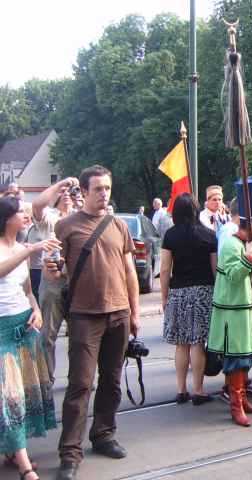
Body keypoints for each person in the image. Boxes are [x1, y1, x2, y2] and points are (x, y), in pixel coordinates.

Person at [52, 165, 140, 480]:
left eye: (107, 188)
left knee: (112, 381)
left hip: (119, 313)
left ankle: (103, 434)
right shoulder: (65, 226)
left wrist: (135, 312)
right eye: (98, 189)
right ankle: (70, 454)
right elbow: (56, 269)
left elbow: (130, 271)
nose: (104, 194)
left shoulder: (118, 226)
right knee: (80, 385)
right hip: (84, 315)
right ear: (85, 193)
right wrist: (54, 271)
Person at [0, 197, 59, 480]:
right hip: (2, 331)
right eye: (20, 212)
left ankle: (13, 451)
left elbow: (27, 291)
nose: (26, 216)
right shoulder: (18, 250)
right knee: (11, 398)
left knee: (23, 394)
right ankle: (24, 466)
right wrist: (31, 250)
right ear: (5, 218)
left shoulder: (22, 248)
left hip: (25, 327)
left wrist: (35, 311)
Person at [209, 176, 252, 427]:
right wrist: (250, 256)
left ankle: (243, 399)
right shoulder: (230, 244)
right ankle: (236, 405)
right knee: (236, 359)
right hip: (233, 312)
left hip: (246, 308)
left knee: (247, 357)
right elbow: (235, 275)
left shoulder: (246, 243)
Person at [160, 193, 216, 406]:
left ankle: (181, 389)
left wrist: (165, 297)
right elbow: (215, 269)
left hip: (178, 293)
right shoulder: (209, 235)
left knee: (181, 344)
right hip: (203, 292)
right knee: (197, 342)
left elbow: (165, 269)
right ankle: (198, 390)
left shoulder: (170, 236)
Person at [31, 178, 78, 387]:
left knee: (79, 335)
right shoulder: (50, 218)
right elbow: (38, 205)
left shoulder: (81, 216)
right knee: (48, 335)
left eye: (73, 191)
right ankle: (47, 380)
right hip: (53, 282)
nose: (68, 194)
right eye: (64, 193)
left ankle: (78, 378)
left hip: (77, 282)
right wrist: (61, 184)